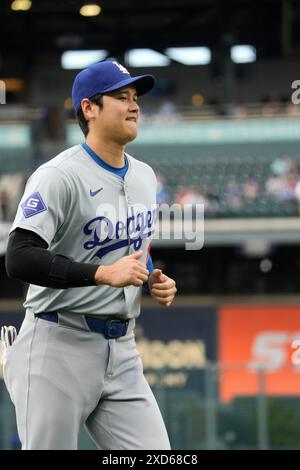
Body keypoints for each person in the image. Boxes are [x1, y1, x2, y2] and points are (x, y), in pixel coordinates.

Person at [3, 60, 177, 450]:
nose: (134, 105)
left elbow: (133, 252)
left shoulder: (145, 176)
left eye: (135, 98)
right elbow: (19, 257)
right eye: (121, 97)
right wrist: (101, 275)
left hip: (123, 349)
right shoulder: (58, 175)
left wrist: (152, 278)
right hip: (57, 343)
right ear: (89, 108)